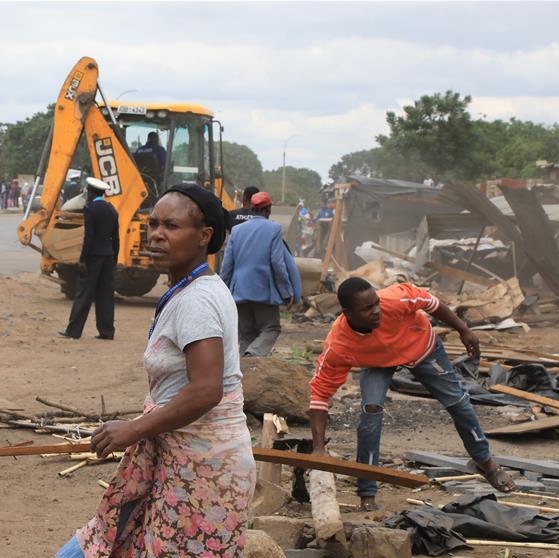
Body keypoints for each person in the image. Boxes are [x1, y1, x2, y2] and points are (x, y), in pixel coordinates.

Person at [58, 182, 255, 558]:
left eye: (172, 225)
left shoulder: (197, 301)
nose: (157, 235)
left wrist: (134, 429)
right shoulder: (189, 289)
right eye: (152, 224)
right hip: (185, 463)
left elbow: (205, 390)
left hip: (203, 471)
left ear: (204, 237)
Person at [309, 277, 515, 511]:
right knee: (370, 413)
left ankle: (487, 464)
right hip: (378, 361)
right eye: (367, 309)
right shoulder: (339, 344)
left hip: (422, 348)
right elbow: (319, 394)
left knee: (458, 401)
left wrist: (463, 330)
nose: (377, 311)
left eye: (376, 303)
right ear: (347, 313)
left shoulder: (396, 298)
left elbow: (433, 304)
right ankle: (367, 493)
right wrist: (318, 448)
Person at [220, 191, 301, 357]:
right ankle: (253, 355)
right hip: (263, 290)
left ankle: (243, 373)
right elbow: (278, 264)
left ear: (251, 208)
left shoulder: (237, 230)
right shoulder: (274, 229)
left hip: (239, 290)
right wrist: (287, 292)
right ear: (268, 208)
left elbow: (227, 265)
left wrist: (223, 292)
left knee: (245, 335)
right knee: (271, 328)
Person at [59, 178, 120, 340]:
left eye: (87, 193)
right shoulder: (111, 209)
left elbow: (89, 236)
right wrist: (114, 260)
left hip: (93, 257)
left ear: (91, 193)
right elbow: (116, 238)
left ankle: (73, 331)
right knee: (106, 295)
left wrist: (82, 259)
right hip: (108, 257)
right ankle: (107, 332)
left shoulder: (90, 209)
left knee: (84, 293)